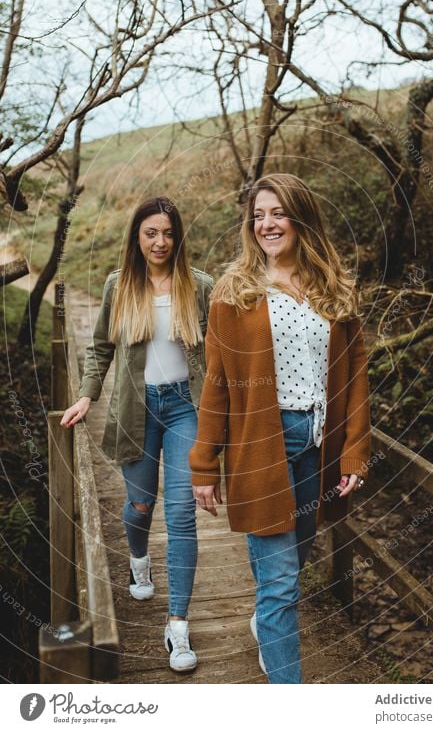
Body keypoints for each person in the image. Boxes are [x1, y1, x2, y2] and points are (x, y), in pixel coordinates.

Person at [189, 173, 371, 684]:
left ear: (300, 217)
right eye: (258, 216)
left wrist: (355, 452)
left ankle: (267, 620)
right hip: (261, 446)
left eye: (277, 213)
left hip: (319, 445)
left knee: (294, 560)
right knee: (282, 583)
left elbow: (355, 377)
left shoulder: (333, 290)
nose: (266, 224)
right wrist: (203, 465)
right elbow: (217, 384)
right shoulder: (235, 292)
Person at [61, 196, 213, 673]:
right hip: (136, 408)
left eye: (168, 233)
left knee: (182, 510)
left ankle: (178, 626)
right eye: (151, 233)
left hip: (185, 407)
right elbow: (101, 347)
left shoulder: (200, 286)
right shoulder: (119, 286)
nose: (160, 242)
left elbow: (222, 352)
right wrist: (87, 394)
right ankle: (138, 556)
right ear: (137, 236)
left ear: (178, 236)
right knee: (140, 504)